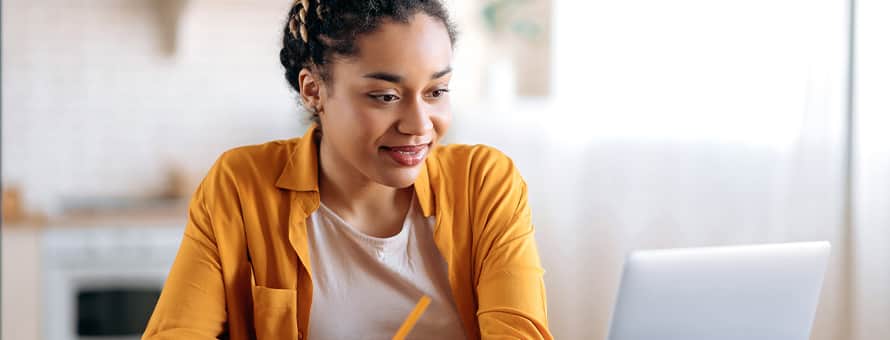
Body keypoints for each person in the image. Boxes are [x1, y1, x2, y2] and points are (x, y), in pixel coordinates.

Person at [142, 1, 552, 339]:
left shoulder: (484, 183)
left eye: (436, 91)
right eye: (385, 96)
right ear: (313, 91)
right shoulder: (241, 186)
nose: (419, 125)